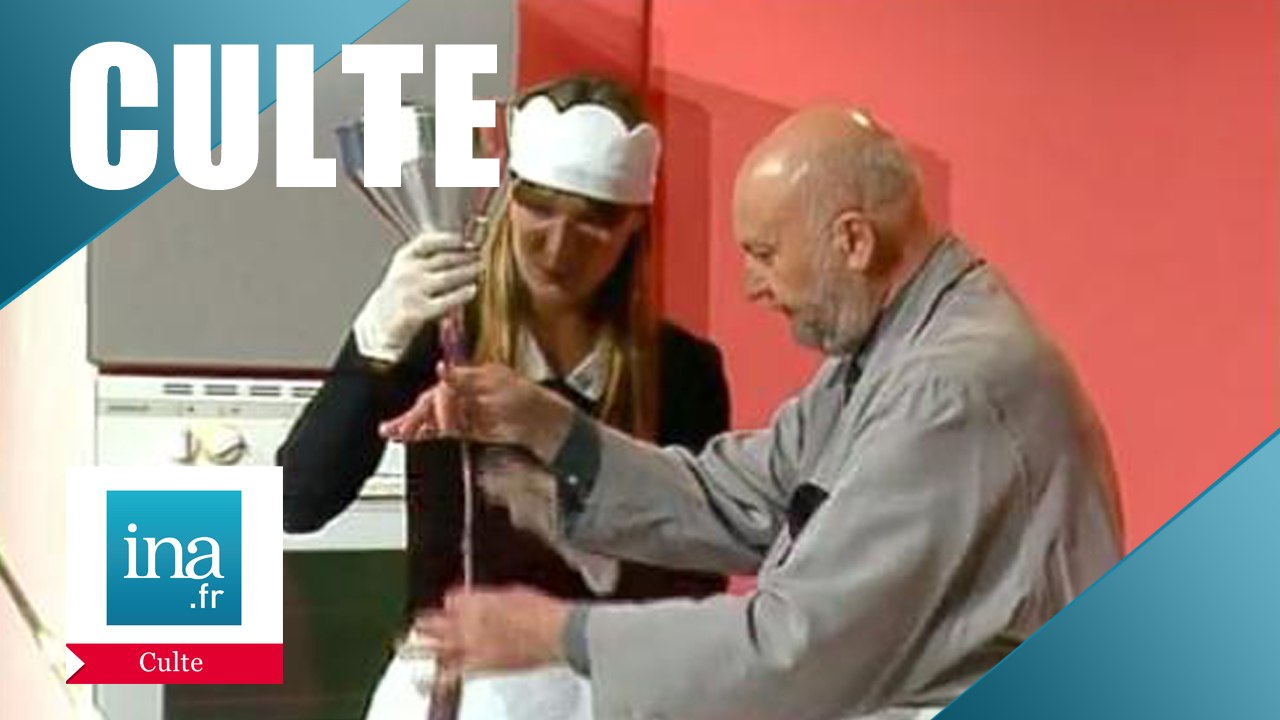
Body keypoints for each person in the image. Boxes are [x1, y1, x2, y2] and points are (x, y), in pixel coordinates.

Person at [383, 106, 1126, 720]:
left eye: (765, 254)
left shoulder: (946, 387)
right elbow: (741, 495)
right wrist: (550, 428)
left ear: (853, 240)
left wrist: (560, 634)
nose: (751, 286)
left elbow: (801, 646)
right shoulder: (886, 354)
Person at [278, 75, 730, 720]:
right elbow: (297, 502)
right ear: (508, 195)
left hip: (616, 695)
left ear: (635, 225)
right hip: (457, 695)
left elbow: (700, 574)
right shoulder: (443, 334)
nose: (558, 246)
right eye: (539, 207)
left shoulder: (682, 370)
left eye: (594, 221)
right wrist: (371, 343)